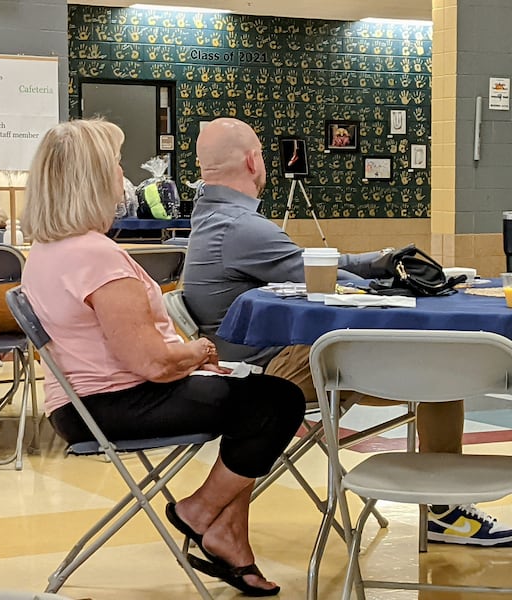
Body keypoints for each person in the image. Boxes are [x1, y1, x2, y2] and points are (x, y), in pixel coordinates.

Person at [183, 117, 512, 547]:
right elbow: (329, 278)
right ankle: (445, 509)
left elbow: (316, 264)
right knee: (443, 370)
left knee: (436, 372)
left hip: (250, 363)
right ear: (254, 161)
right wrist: (391, 277)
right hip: (274, 374)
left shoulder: (213, 219)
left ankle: (443, 505)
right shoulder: (241, 227)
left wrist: (381, 260)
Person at [21, 118, 306, 597]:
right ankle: (199, 511)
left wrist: (192, 361)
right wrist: (199, 351)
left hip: (82, 404)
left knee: (251, 398)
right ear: (93, 179)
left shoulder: (49, 250)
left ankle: (229, 535)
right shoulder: (95, 256)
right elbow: (151, 363)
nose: (122, 175)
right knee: (278, 401)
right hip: (115, 402)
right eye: (115, 164)